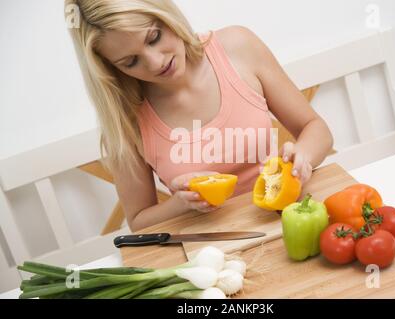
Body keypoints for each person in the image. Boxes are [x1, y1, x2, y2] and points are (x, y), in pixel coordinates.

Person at [64, 0, 333, 231]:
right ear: (111, 68)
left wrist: (302, 158)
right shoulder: (125, 119)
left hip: (287, 217)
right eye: (131, 61)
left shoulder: (237, 47)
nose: (156, 62)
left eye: (154, 37)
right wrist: (180, 204)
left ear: (165, 14)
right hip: (212, 247)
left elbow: (315, 128)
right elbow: (138, 221)